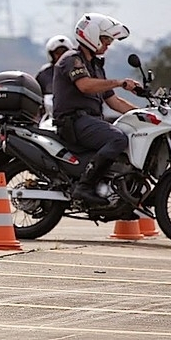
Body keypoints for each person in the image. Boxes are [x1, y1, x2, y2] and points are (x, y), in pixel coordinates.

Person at [52, 12, 142, 205]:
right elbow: (84, 85)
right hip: (74, 122)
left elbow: (114, 102)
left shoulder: (96, 66)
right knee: (117, 138)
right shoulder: (72, 59)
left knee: (128, 134)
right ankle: (84, 187)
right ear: (91, 35)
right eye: (105, 39)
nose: (108, 44)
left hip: (89, 121)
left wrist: (143, 115)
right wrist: (119, 82)